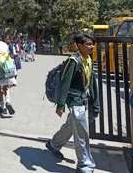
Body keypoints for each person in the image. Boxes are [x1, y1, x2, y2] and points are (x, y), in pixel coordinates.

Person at [46, 33, 100, 173]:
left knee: (71, 125)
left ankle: (54, 144)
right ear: (80, 46)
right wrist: (60, 104)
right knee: (82, 133)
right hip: (74, 101)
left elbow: (92, 82)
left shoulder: (88, 59)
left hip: (83, 100)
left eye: (92, 44)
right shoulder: (73, 61)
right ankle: (85, 165)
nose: (92, 47)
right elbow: (65, 84)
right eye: (88, 44)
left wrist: (96, 103)